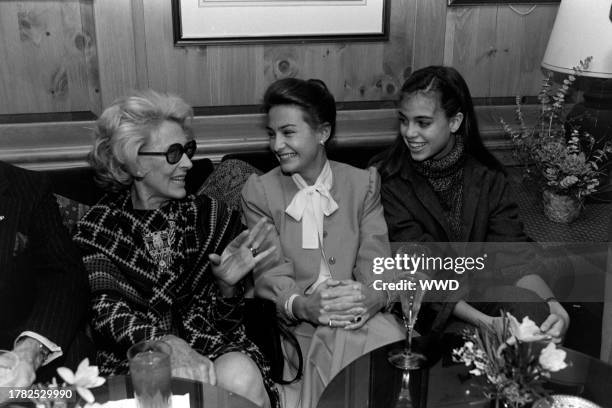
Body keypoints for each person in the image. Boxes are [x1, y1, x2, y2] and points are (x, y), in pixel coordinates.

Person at [73, 90, 279, 408]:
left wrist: (226, 286)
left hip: (209, 344)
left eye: (187, 150)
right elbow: (109, 316)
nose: (187, 162)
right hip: (136, 356)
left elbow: (229, 323)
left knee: (240, 375)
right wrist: (168, 345)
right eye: (173, 154)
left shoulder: (209, 217)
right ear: (135, 163)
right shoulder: (98, 229)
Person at [372, 65, 570, 342]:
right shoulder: (388, 180)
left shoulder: (489, 178)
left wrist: (553, 305)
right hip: (424, 309)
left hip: (481, 293)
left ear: (454, 122)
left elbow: (513, 257)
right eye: (404, 120)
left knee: (532, 311)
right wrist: (485, 322)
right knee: (479, 336)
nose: (409, 132)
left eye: (423, 122)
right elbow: (415, 272)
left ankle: (517, 382)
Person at [241, 78, 404, 408]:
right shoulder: (259, 192)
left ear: (323, 132)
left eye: (288, 132)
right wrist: (304, 305)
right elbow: (271, 277)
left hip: (361, 316)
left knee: (390, 342)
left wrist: (374, 297)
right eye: (272, 134)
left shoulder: (363, 184)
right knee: (336, 342)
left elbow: (376, 257)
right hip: (299, 327)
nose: (277, 144)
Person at [0, 161, 91, 394]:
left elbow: (64, 275)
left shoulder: (28, 188)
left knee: (74, 354)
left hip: (15, 355)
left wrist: (31, 349)